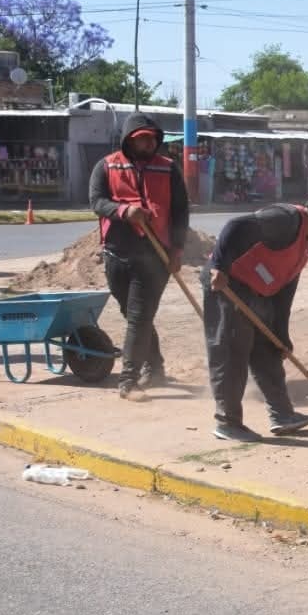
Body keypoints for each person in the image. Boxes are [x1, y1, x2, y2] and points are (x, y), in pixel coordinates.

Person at [204, 193, 308, 442]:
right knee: (232, 352)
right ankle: (227, 423)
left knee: (269, 351)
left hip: (256, 290)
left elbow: (284, 294)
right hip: (227, 285)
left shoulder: (306, 243)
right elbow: (234, 225)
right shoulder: (286, 219)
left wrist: (282, 335)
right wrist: (219, 266)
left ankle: (282, 416)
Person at [89, 112, 190, 401]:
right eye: (141, 139)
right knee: (136, 316)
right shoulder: (106, 166)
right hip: (116, 254)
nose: (147, 144)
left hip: (155, 257)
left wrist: (177, 251)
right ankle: (155, 367)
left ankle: (128, 381)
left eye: (151, 139)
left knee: (138, 317)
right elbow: (96, 202)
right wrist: (124, 211)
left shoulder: (168, 169)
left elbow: (181, 212)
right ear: (128, 140)